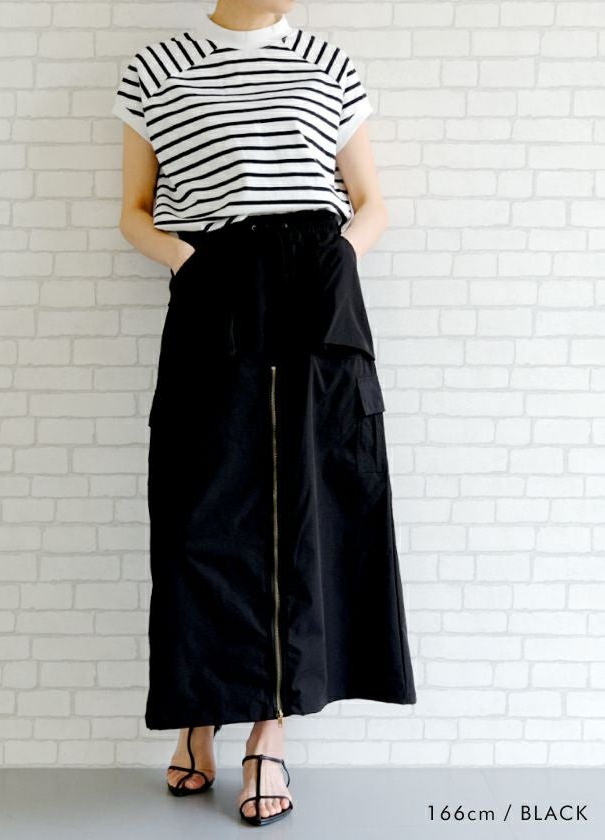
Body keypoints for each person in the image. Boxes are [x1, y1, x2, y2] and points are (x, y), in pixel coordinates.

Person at [112, 0, 417, 827]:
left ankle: (267, 736)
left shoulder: (328, 62)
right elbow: (134, 209)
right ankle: (199, 715)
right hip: (214, 282)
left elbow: (372, 201)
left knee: (303, 512)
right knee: (199, 514)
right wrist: (189, 262)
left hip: (316, 283)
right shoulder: (157, 68)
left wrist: (338, 256)